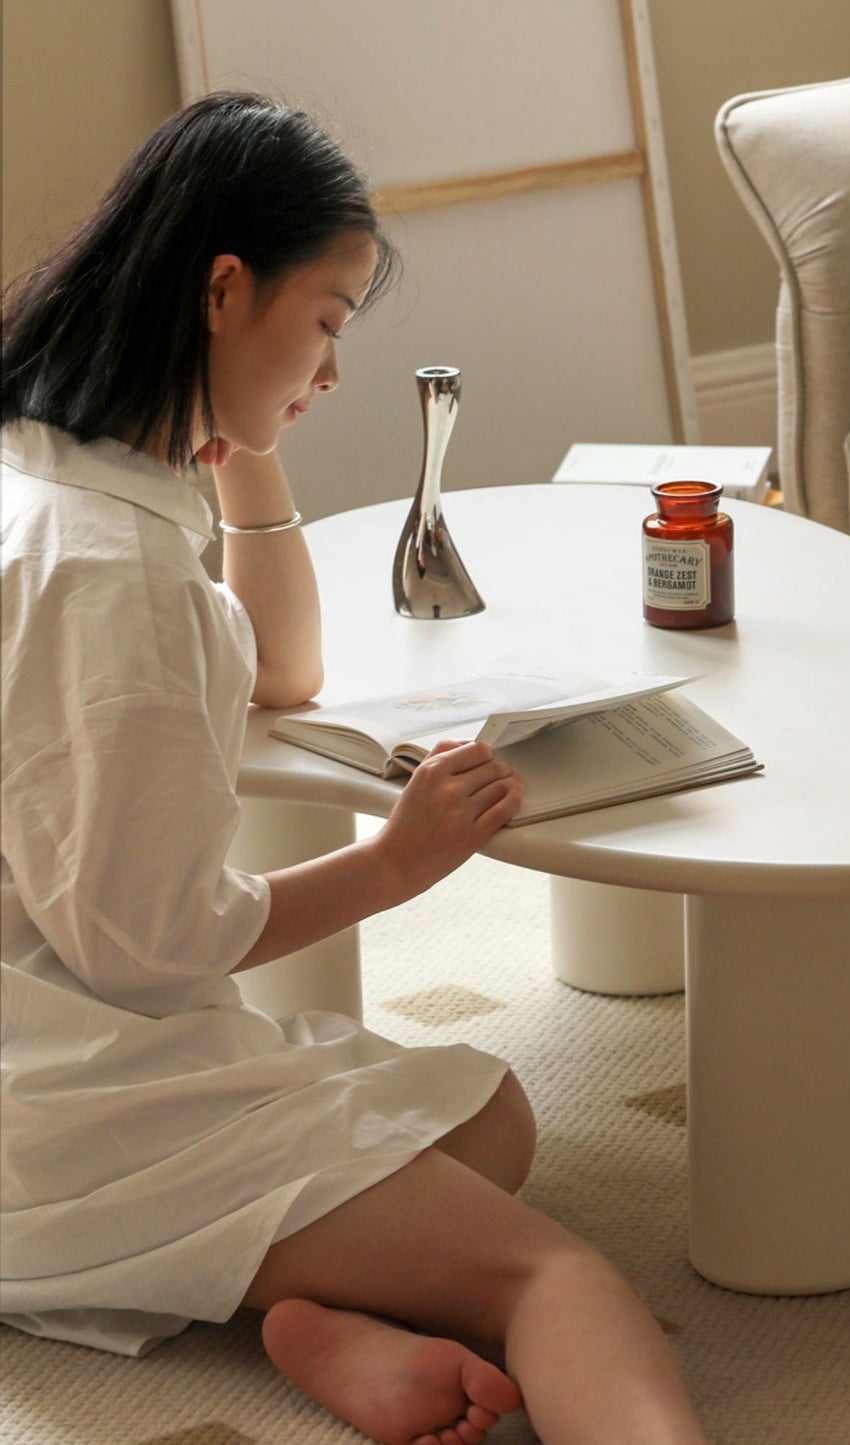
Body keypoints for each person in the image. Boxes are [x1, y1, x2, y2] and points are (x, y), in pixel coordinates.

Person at [0, 91, 707, 1445]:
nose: (330, 375)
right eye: (324, 323)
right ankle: (263, 1270)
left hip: (34, 1058)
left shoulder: (50, 474)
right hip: (66, 1107)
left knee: (483, 1107)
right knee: (550, 1268)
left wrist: (245, 443)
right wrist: (395, 863)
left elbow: (278, 671)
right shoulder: (119, 576)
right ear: (224, 291)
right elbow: (148, 950)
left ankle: (306, 1312)